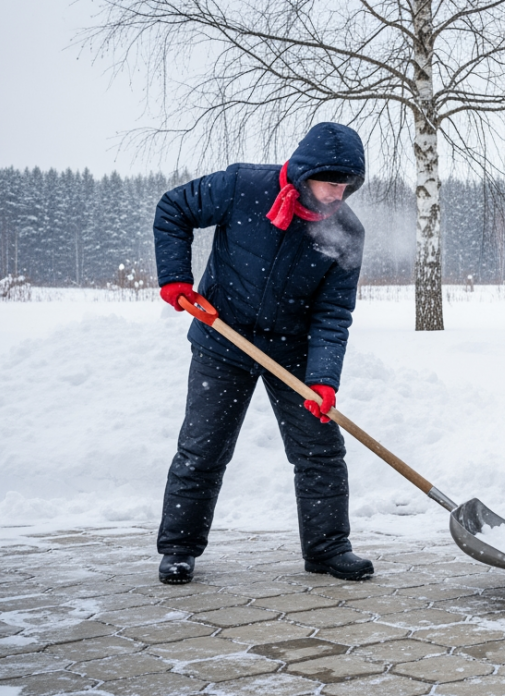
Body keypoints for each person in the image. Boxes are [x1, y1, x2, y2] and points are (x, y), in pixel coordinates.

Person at [151, 122, 372, 584]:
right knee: (203, 449)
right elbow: (174, 208)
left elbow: (333, 314)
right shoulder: (243, 186)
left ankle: (328, 549)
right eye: (331, 182)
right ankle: (178, 549)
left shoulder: (346, 232)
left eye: (346, 185)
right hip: (222, 338)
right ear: (306, 172)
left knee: (321, 451)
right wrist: (175, 279)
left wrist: (323, 380)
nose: (338, 194)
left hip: (290, 351)